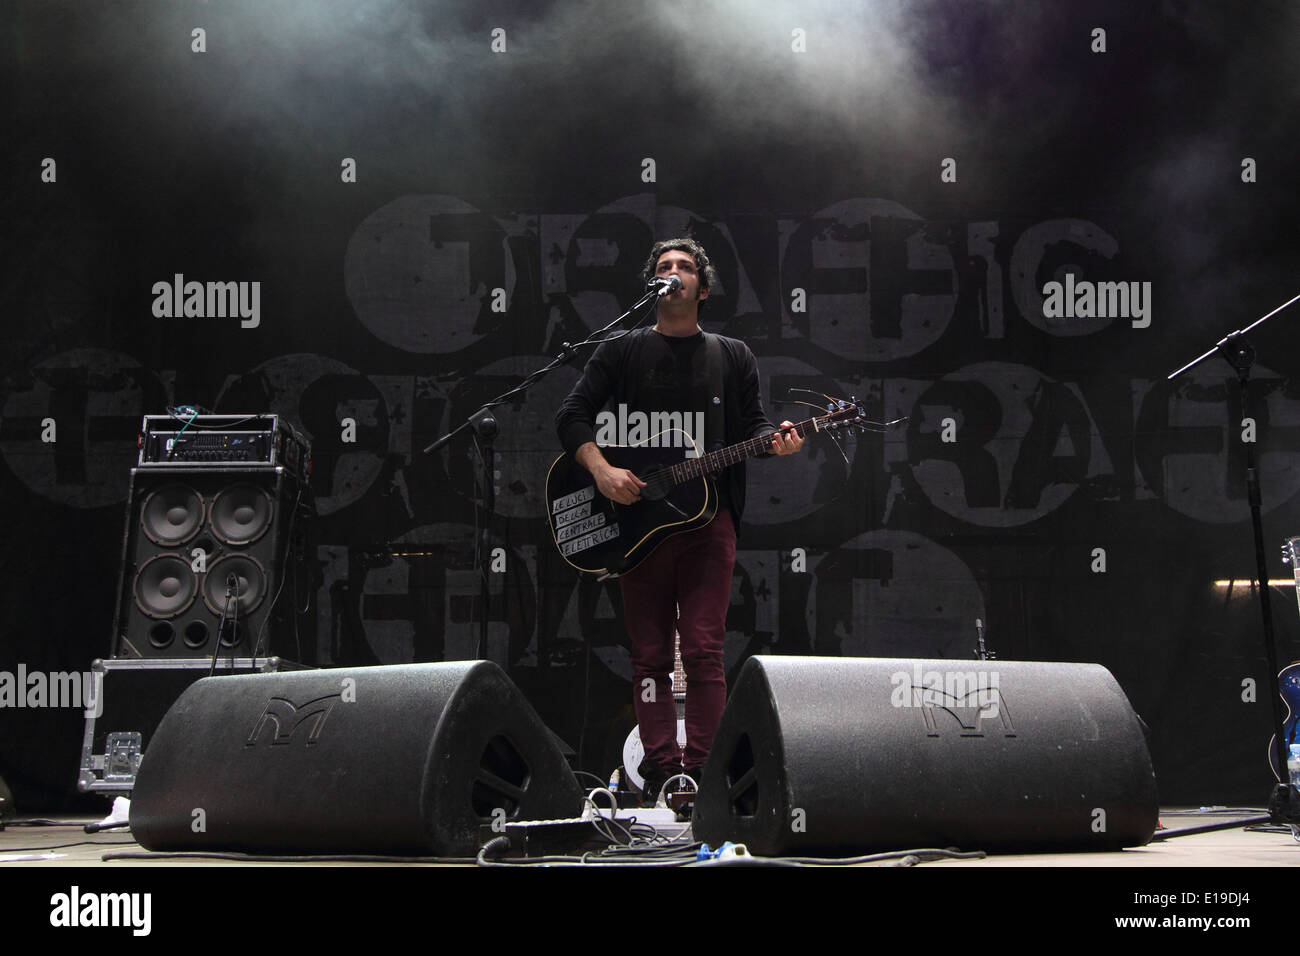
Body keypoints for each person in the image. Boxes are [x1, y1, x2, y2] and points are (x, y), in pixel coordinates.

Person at [555, 237, 803, 803]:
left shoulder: (731, 355)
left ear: (703, 287)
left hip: (708, 524)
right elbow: (570, 415)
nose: (673, 274)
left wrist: (779, 444)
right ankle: (662, 771)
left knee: (702, 649)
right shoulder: (619, 351)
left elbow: (754, 431)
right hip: (636, 526)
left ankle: (703, 774)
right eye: (664, 267)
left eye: (684, 268)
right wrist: (601, 471)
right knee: (648, 654)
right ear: (652, 284)